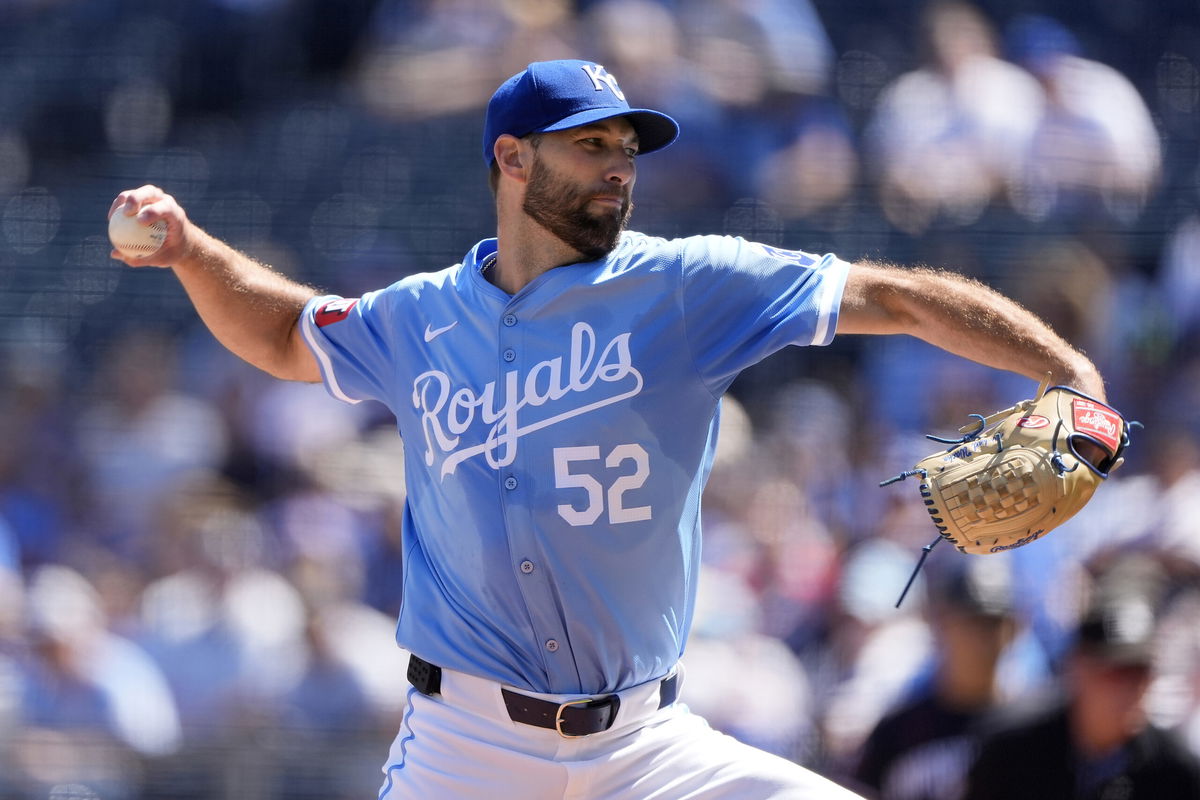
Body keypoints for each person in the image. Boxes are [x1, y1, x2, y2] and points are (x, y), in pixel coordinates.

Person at [109, 59, 1106, 799]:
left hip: (647, 749)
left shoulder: (687, 283)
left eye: (626, 150)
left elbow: (895, 295)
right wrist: (194, 251)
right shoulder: (418, 318)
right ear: (511, 157)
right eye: (592, 144)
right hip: (466, 749)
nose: (618, 169)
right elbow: (288, 330)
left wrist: (1064, 371)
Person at [962, 558, 1200, 800]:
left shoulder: (1176, 770)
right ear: (1077, 668)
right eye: (1115, 673)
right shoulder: (1009, 749)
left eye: (1140, 671)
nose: (1131, 687)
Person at [852, 557, 1019, 800]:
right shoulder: (898, 730)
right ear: (940, 624)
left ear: (1012, 629)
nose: (981, 639)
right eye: (970, 622)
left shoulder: (1031, 730)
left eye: (991, 624)